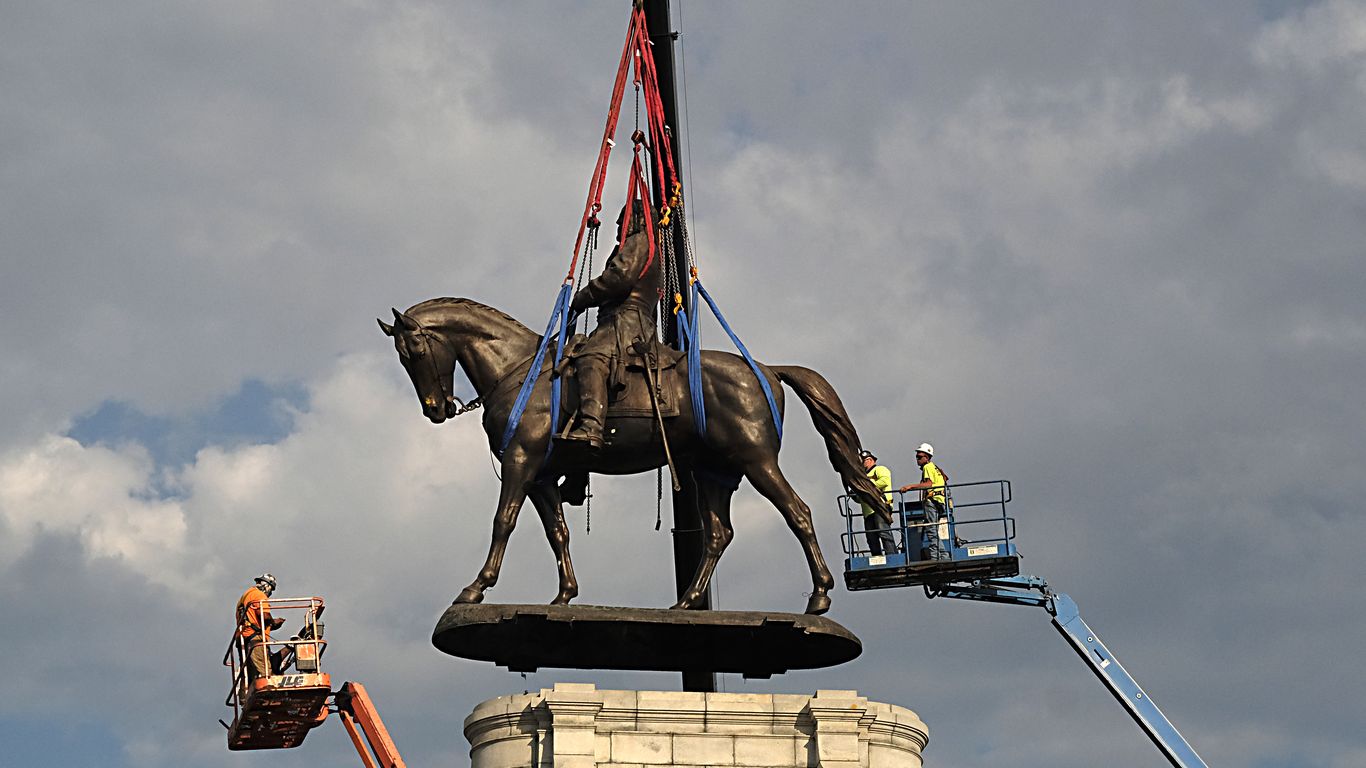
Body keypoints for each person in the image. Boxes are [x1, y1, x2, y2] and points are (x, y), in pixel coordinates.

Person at [563, 201, 661, 449]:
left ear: (636, 220)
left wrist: (583, 296)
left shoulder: (639, 242)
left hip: (625, 323)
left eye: (622, 220)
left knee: (591, 358)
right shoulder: (646, 247)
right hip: (622, 321)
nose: (618, 226)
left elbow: (619, 278)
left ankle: (592, 427)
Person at [899, 443, 950, 560]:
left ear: (927, 457)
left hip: (932, 501)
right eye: (917, 456)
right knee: (933, 530)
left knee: (931, 531)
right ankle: (941, 555)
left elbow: (928, 484)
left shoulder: (928, 467)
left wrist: (909, 487)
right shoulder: (935, 468)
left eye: (919, 457)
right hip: (939, 501)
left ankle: (939, 556)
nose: (917, 459)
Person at [235, 572, 285, 681]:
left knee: (249, 678)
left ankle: (244, 695)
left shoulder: (245, 596)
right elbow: (265, 617)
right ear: (267, 586)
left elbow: (254, 620)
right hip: (255, 640)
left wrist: (271, 625)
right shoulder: (259, 595)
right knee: (266, 675)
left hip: (244, 640)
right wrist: (274, 622)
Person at [858, 450, 898, 556]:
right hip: (868, 512)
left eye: (864, 461)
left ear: (870, 460)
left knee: (883, 532)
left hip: (880, 507)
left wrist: (865, 487)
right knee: (871, 537)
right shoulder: (862, 478)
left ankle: (892, 556)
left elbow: (884, 481)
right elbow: (858, 499)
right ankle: (877, 558)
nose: (862, 463)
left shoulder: (879, 469)